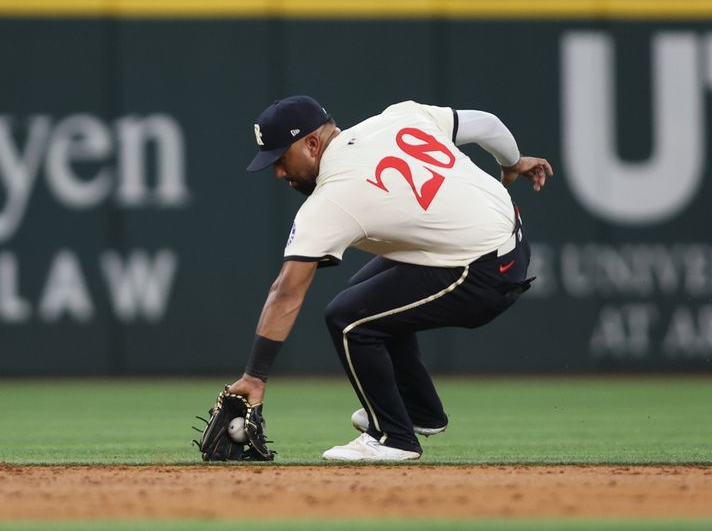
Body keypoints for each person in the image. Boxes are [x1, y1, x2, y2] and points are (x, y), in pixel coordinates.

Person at [228, 95, 552, 461]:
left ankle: (393, 438)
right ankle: (419, 410)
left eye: (280, 158)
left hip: (482, 271)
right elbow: (489, 124)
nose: (278, 173)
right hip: (508, 236)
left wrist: (255, 377)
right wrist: (513, 164)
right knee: (364, 298)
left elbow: (286, 291)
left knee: (349, 319)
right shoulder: (399, 118)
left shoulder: (331, 198)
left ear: (312, 143)